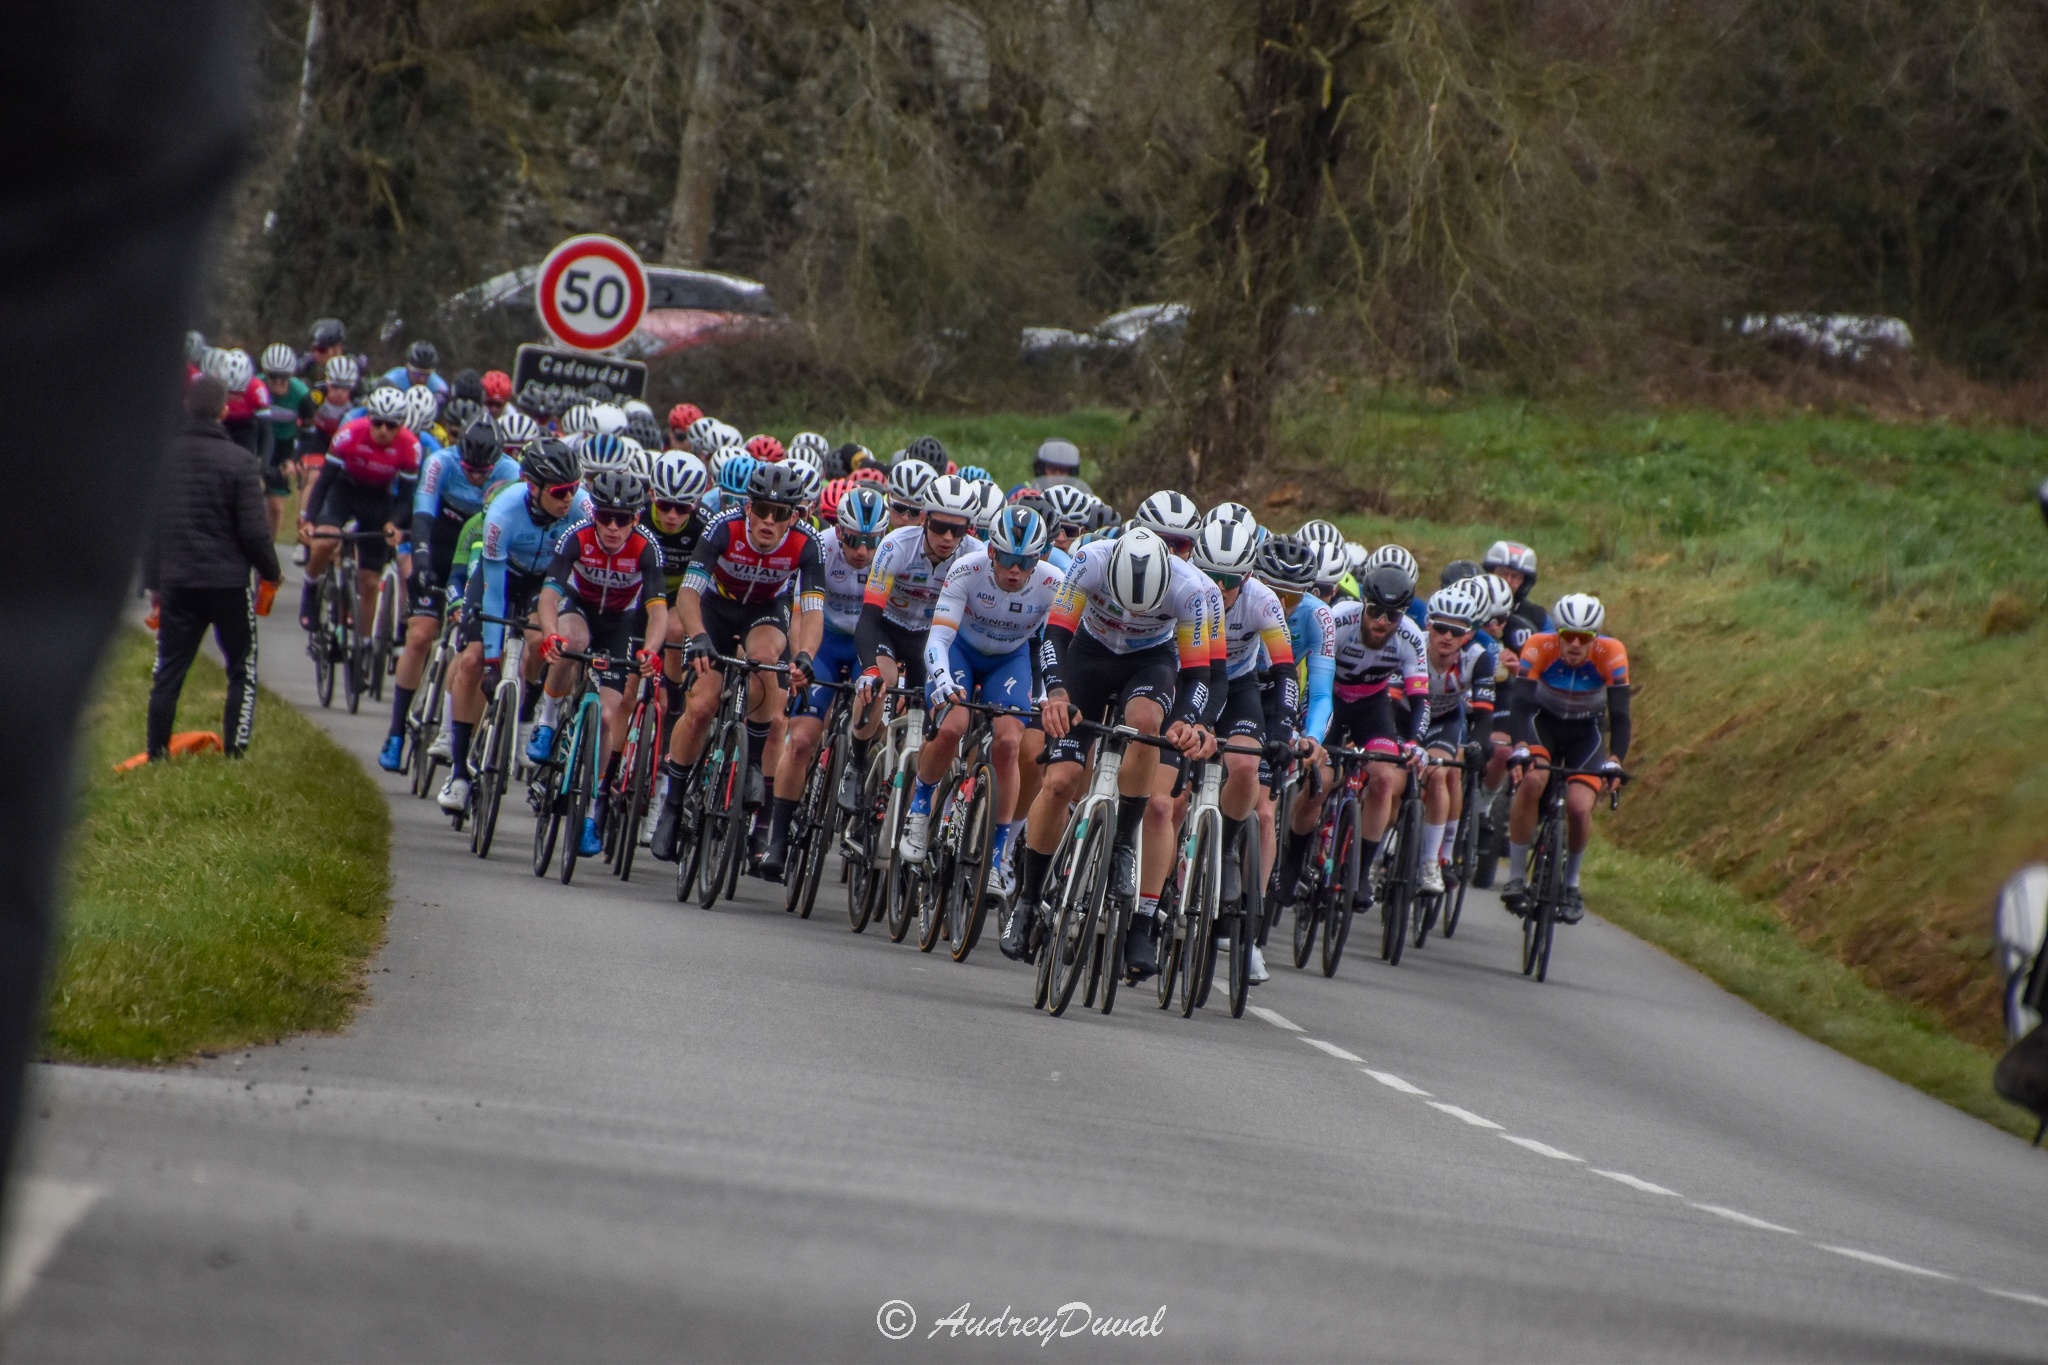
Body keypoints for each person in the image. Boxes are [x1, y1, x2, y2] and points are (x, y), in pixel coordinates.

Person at [907, 504, 1062, 905]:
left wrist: (1046, 696)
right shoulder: (967, 570)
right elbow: (938, 640)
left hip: (1008, 661)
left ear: (1038, 559)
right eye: (1008, 558)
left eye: (1025, 561)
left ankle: (996, 857)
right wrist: (942, 681)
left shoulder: (1053, 584)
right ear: (992, 552)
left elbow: (1053, 649)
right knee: (954, 725)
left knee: (1010, 743)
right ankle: (921, 806)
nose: (1015, 569)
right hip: (960, 651)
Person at [140, 375, 282, 759]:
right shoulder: (239, 461)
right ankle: (235, 751)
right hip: (228, 585)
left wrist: (153, 583)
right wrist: (270, 571)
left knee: (168, 671)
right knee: (241, 669)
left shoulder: (164, 457)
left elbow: (152, 528)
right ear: (224, 411)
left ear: (187, 406)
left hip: (179, 583)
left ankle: (156, 753)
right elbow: (254, 532)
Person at [531, 468, 668, 857]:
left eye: (621, 520)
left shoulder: (646, 548)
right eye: (605, 517)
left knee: (608, 718)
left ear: (635, 520)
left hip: (621, 623)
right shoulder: (575, 536)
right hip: (580, 609)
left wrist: (652, 651)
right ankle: (547, 719)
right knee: (573, 640)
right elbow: (549, 594)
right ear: (594, 515)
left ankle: (592, 813)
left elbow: (658, 611)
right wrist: (549, 633)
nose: (612, 527)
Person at [1500, 593, 1631, 924]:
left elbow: (1620, 714)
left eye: (1583, 638)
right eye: (1567, 636)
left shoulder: (1612, 653)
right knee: (1532, 780)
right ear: (1557, 633)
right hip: (1542, 723)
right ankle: (1516, 876)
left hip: (1587, 733)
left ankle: (1571, 884)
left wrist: (1615, 758)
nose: (1574, 644)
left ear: (1594, 637)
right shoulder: (1538, 646)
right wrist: (1520, 747)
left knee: (1579, 806)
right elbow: (1521, 704)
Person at [1024, 437, 1092, 494]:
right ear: (1042, 469)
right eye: (1052, 468)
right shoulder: (1025, 492)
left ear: (1070, 473)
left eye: (1063, 470)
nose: (1057, 473)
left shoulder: (1078, 495)